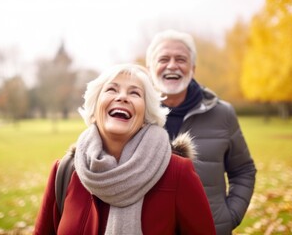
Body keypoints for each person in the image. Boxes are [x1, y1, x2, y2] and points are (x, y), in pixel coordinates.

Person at [34, 64, 216, 235]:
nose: (122, 97)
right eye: (111, 89)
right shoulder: (64, 171)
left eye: (135, 93)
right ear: (95, 108)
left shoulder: (178, 172)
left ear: (146, 115)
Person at [146, 30, 257, 235]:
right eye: (163, 59)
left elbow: (244, 170)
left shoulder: (222, 113)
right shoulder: (134, 115)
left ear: (193, 68)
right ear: (150, 68)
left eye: (181, 59)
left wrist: (230, 215)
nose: (172, 65)